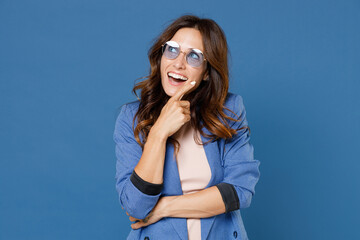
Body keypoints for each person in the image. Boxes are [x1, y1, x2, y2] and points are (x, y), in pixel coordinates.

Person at [113, 15, 260, 240]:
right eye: (172, 49)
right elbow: (136, 206)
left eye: (194, 56)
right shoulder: (131, 117)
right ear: (161, 56)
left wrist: (163, 208)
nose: (178, 63)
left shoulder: (228, 111)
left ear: (207, 72)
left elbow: (239, 191)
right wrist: (159, 132)